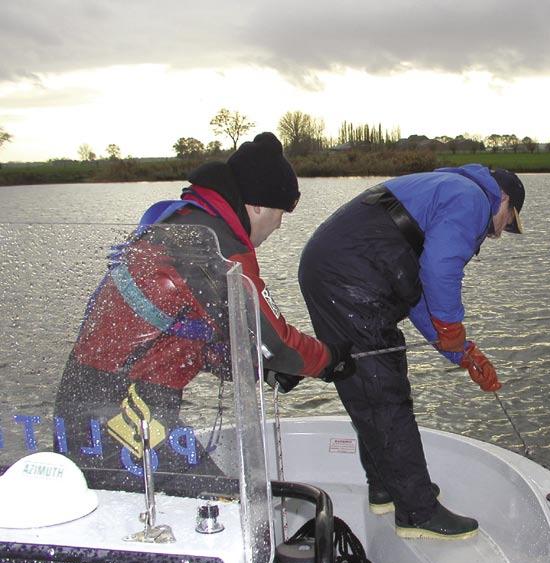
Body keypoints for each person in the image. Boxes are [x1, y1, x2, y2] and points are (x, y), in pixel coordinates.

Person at [54, 132, 354, 474]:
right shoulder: (215, 245)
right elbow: (274, 342)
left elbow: (186, 334)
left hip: (101, 397)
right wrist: (329, 361)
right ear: (258, 205)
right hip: (116, 408)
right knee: (217, 506)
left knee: (208, 499)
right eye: (280, 212)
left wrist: (258, 367)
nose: (279, 226)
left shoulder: (185, 222)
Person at [298, 164, 525, 539]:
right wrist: (452, 327)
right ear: (503, 199)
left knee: (375, 380)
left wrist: (463, 354)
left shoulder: (446, 192)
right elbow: (440, 270)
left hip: (340, 271)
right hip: (348, 278)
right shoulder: (472, 198)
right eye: (508, 221)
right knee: (383, 391)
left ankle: (387, 486)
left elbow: (421, 295)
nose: (500, 233)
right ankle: (417, 511)